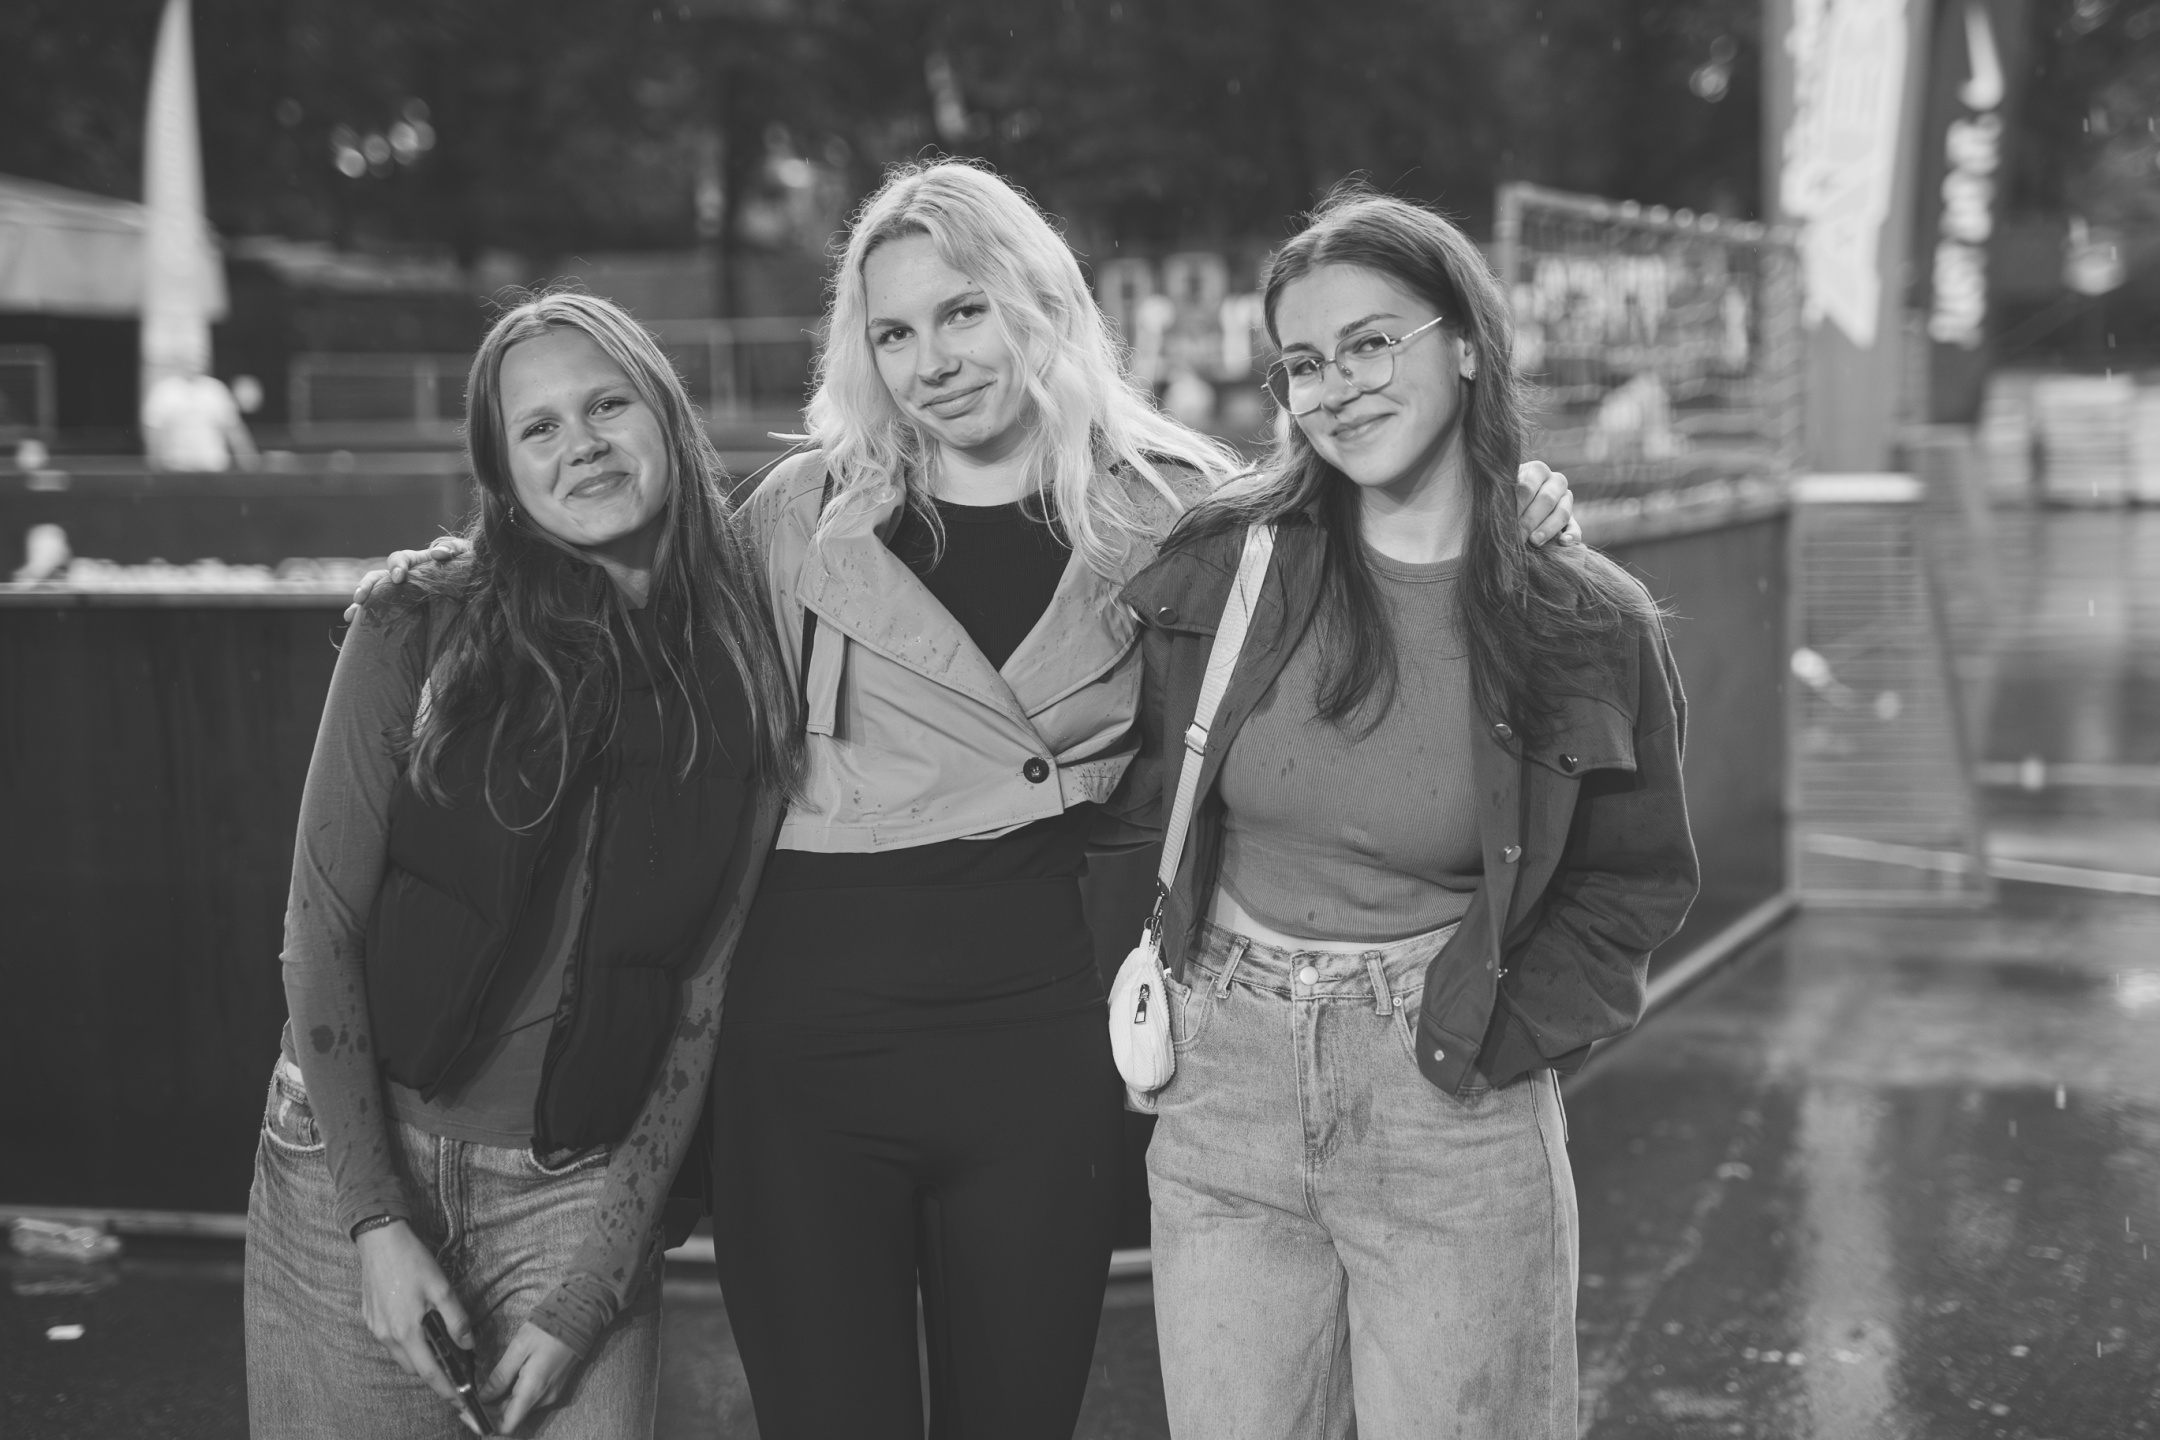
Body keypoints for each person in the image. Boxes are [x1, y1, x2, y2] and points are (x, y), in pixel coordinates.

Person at [352, 160, 1579, 1439]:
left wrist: (1520, 503)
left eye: (963, 312)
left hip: (1039, 1053)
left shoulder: (1183, 511)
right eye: (893, 332)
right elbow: (625, 595)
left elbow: (1381, 556)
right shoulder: (798, 513)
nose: (930, 361)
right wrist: (461, 570)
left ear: (1037, 302)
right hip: (805, 1060)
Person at [1118, 187, 1698, 1439]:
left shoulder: (1584, 619)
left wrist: (1493, 1032)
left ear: (1468, 345)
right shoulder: (1225, 562)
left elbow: (1633, 880)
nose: (1337, 388)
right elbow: (1134, 784)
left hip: (1447, 1094)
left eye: (1372, 343)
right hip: (1224, 1089)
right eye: (1304, 363)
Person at [245, 291, 798, 1439]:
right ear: (503, 474)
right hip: (352, 1171)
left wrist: (597, 1280)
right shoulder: (418, 618)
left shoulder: (745, 671)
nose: (580, 444)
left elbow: (701, 998)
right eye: (538, 428)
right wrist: (374, 1222)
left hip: (577, 1196)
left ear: (666, 417)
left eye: (607, 405)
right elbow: (320, 927)